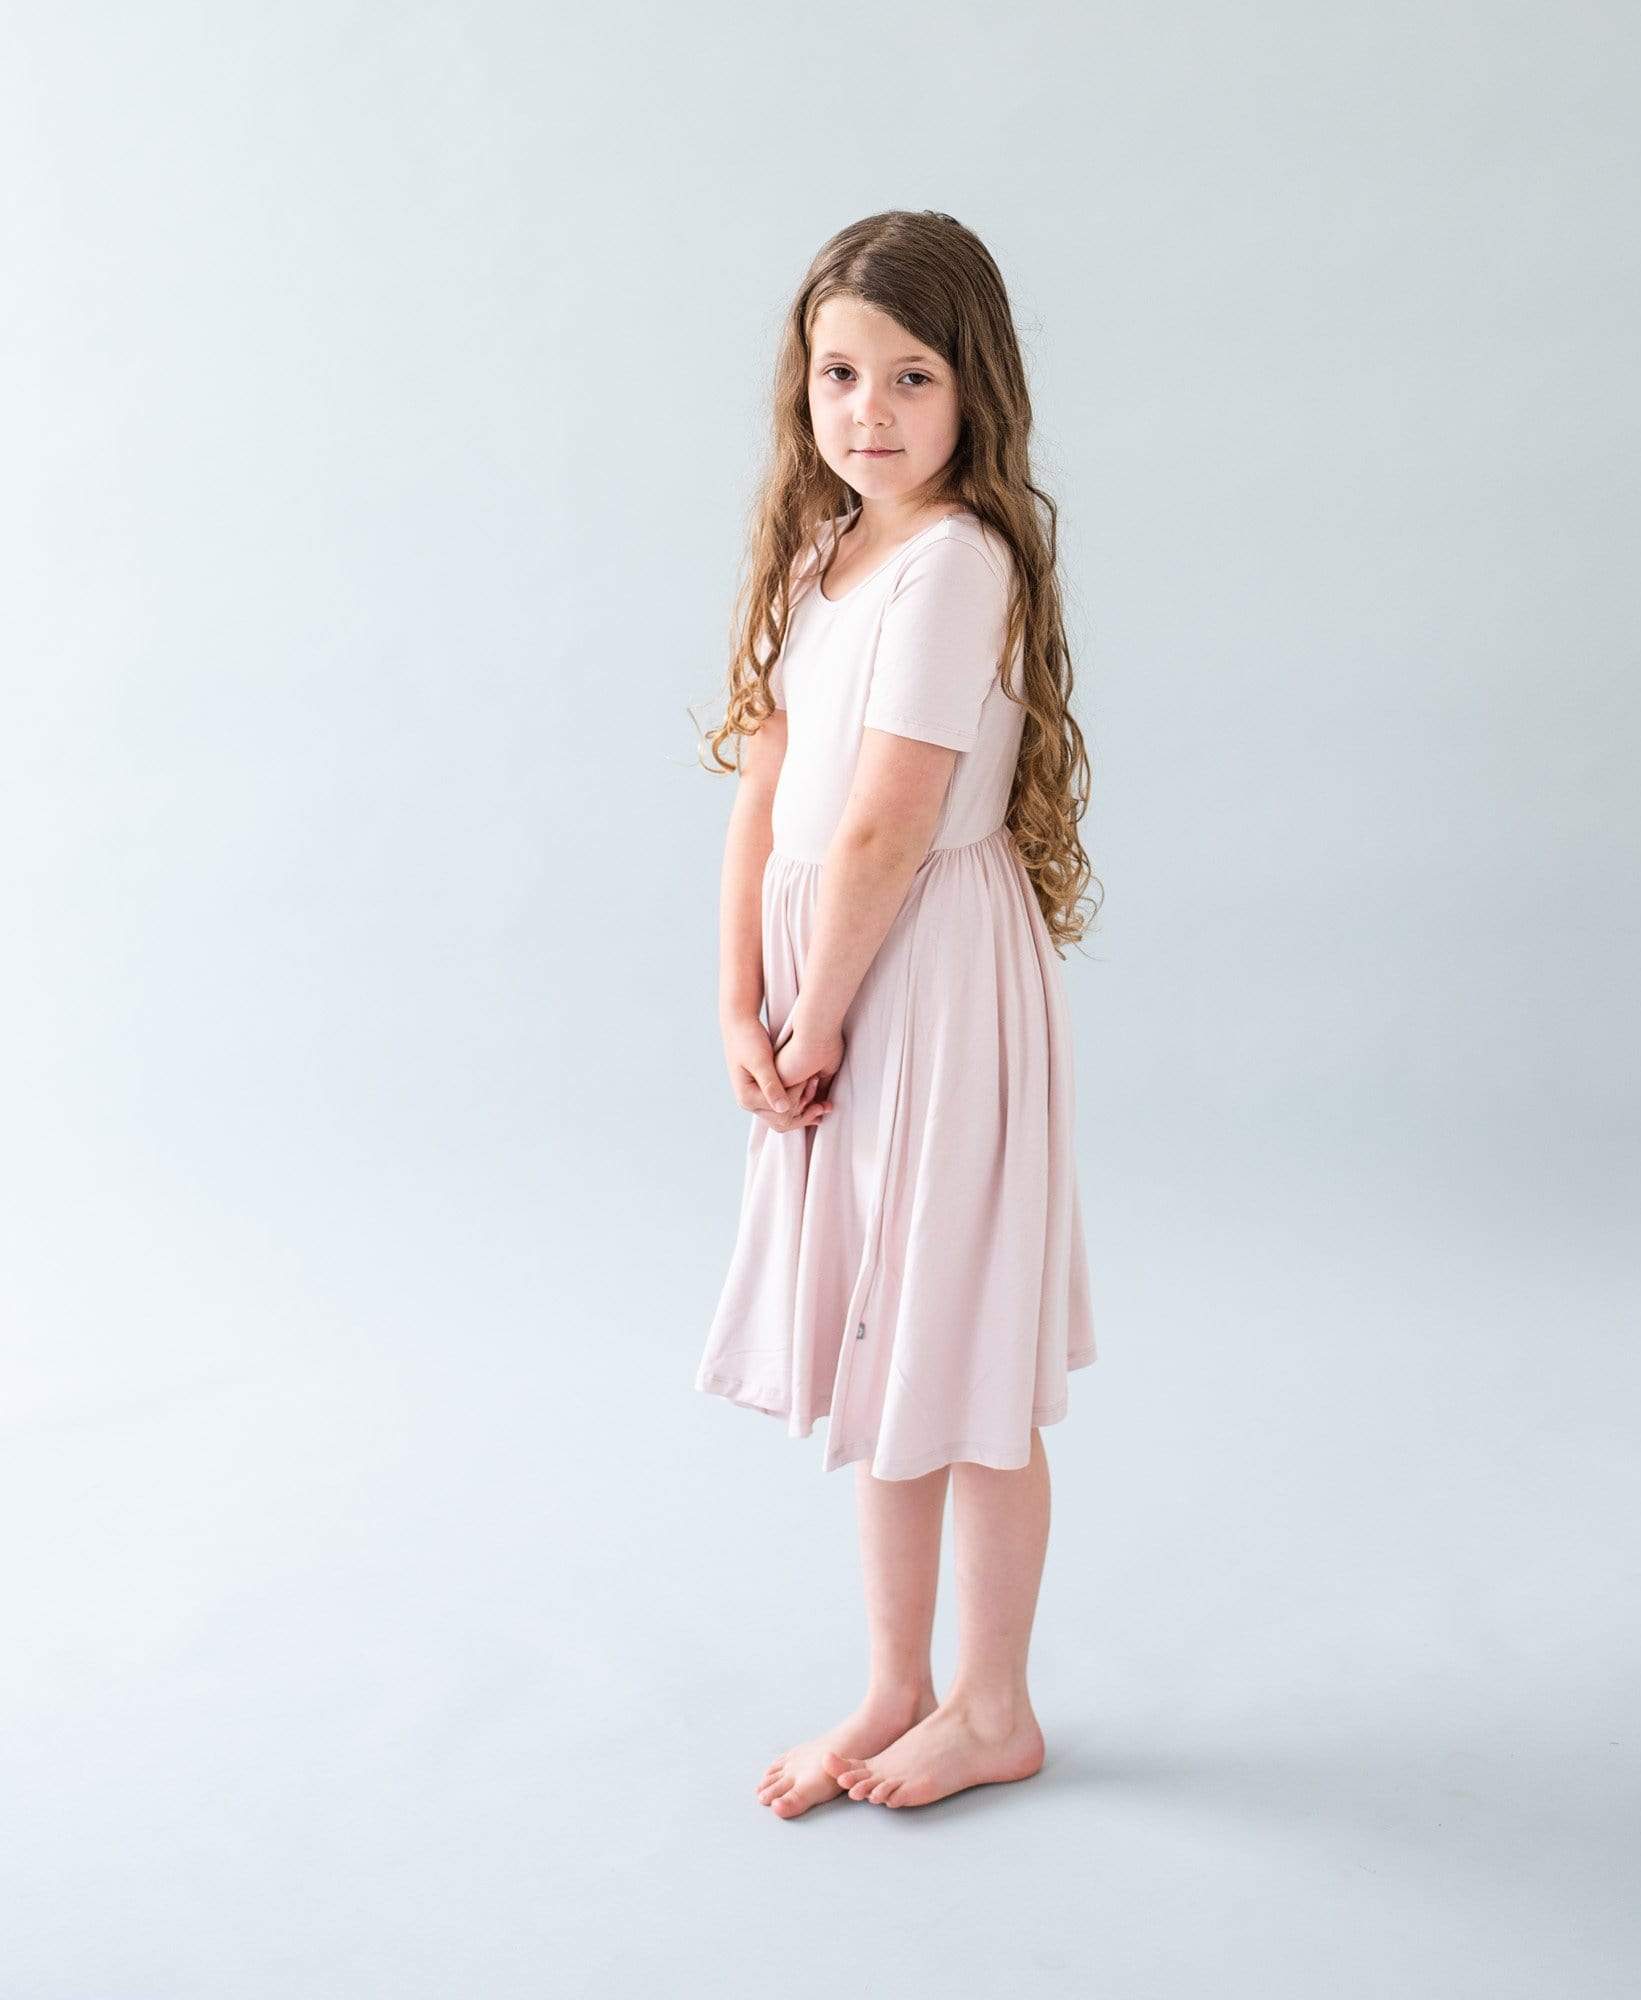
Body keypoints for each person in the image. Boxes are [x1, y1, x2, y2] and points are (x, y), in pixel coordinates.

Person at [694, 210, 1100, 1816]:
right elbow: (770, 794)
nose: (867, 410)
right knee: (889, 1335)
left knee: (963, 1335)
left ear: (973, 389)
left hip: (917, 978)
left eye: (909, 375)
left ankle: (994, 1703)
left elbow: (888, 822)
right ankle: (897, 1681)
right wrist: (743, 999)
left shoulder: (957, 563)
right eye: (839, 373)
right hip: (833, 983)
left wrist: (820, 1018)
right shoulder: (824, 554)